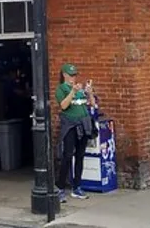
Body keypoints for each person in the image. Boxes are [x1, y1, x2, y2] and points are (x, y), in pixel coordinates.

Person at [55, 63, 94, 202]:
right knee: (67, 156)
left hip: (83, 125)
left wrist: (89, 93)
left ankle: (77, 186)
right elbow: (63, 106)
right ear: (64, 75)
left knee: (80, 156)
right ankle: (60, 187)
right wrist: (72, 91)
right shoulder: (61, 89)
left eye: (75, 75)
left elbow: (92, 105)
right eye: (71, 75)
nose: (73, 78)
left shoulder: (80, 89)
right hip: (70, 126)